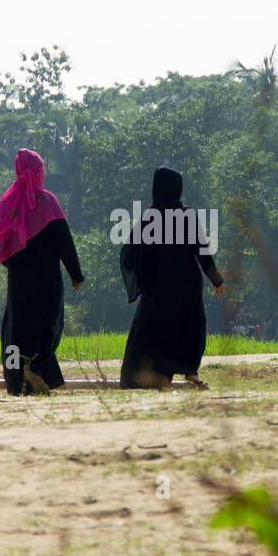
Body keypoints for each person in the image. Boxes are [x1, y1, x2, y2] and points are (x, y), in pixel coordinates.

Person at [0, 149, 83, 395]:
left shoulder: (7, 205)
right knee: (50, 326)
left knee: (17, 332)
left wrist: (17, 268)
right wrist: (76, 274)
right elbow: (64, 241)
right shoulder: (48, 202)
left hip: (19, 284)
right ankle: (36, 368)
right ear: (38, 172)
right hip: (48, 281)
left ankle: (18, 383)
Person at [119, 166, 224, 389]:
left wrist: (141, 278)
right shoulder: (188, 216)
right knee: (189, 327)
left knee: (156, 330)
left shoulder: (150, 217)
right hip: (187, 285)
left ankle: (159, 374)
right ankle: (190, 372)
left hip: (159, 287)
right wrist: (217, 280)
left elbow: (131, 252)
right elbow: (202, 252)